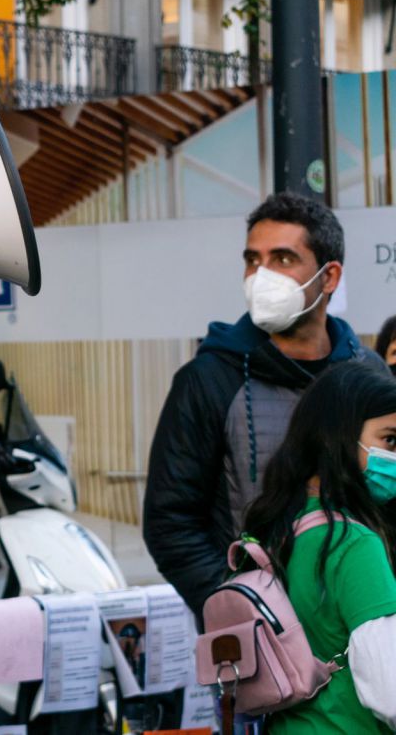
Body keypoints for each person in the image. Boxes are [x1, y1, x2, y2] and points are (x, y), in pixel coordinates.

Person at [144, 192, 385, 617]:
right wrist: (240, 607)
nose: (261, 276)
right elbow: (171, 523)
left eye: (283, 259)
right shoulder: (209, 380)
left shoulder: (369, 376)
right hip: (263, 649)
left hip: (364, 615)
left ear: (329, 278)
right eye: (253, 260)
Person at [241, 362, 396, 734]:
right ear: (338, 437)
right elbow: (390, 690)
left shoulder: (279, 527)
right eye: (389, 440)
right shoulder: (354, 544)